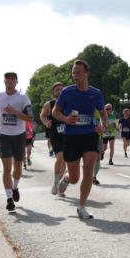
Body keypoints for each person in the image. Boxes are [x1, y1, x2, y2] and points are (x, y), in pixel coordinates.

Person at [52, 60, 107, 219]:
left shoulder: (95, 93)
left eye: (78, 72)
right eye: (73, 73)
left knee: (88, 170)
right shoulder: (67, 92)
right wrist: (66, 118)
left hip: (90, 134)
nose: (75, 76)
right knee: (75, 177)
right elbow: (56, 112)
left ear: (86, 73)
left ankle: (82, 206)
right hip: (71, 136)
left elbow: (103, 113)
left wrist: (103, 125)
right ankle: (67, 179)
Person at [0, 72, 34, 212]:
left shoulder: (22, 98)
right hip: (4, 136)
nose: (10, 80)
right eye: (7, 78)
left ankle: (15, 187)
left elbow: (29, 118)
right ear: (4, 81)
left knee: (18, 168)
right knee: (7, 168)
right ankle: (9, 199)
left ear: (16, 81)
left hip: (19, 136)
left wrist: (14, 112)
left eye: (12, 78)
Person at [41, 83, 67, 194]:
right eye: (57, 90)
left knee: (65, 161)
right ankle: (56, 182)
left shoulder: (69, 102)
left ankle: (61, 185)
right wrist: (46, 122)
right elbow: (42, 115)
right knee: (60, 158)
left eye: (62, 89)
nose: (60, 91)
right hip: (55, 135)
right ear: (53, 93)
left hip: (68, 134)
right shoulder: (49, 104)